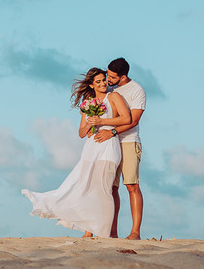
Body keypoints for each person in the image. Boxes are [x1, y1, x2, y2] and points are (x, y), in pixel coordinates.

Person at [23, 68, 131, 238]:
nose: (103, 84)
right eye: (98, 82)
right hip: (91, 147)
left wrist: (102, 121)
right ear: (91, 85)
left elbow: (127, 118)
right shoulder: (88, 102)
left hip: (108, 145)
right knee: (86, 187)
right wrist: (90, 124)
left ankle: (105, 233)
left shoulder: (114, 97)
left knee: (104, 188)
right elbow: (81, 132)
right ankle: (89, 231)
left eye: (104, 80)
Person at [87, 57, 146, 240]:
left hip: (128, 141)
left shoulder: (137, 91)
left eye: (112, 77)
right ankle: (112, 232)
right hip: (108, 144)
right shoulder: (109, 88)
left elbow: (133, 120)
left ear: (122, 77)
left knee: (131, 185)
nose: (108, 79)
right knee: (110, 188)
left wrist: (111, 131)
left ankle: (135, 232)